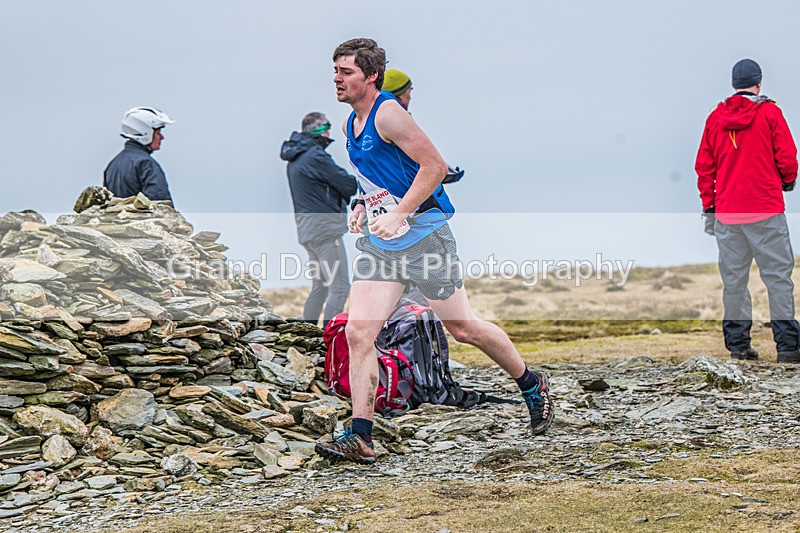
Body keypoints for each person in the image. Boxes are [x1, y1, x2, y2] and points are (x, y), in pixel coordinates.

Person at [315, 38, 554, 465]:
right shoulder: (353, 121)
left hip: (425, 237)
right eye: (335, 70)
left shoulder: (389, 114)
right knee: (359, 333)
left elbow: (435, 167)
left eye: (346, 72)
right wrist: (361, 204)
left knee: (463, 329)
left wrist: (400, 214)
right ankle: (361, 435)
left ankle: (530, 383)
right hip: (382, 243)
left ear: (371, 76)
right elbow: (377, 176)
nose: (336, 78)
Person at [695, 58, 800, 364]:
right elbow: (787, 157)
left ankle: (739, 347)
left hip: (728, 214)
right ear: (758, 83)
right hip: (766, 210)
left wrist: (709, 207)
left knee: (734, 281)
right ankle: (788, 348)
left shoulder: (715, 117)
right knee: (778, 278)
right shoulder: (770, 113)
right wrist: (787, 181)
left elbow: (704, 167)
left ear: (733, 84)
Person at [280, 112, 358, 326]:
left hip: (307, 231)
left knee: (321, 285)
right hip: (326, 231)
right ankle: (328, 339)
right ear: (320, 130)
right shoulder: (315, 156)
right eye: (327, 128)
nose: (329, 133)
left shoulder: (295, 158)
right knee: (339, 287)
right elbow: (348, 184)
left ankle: (308, 332)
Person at [103, 107, 175, 202]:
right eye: (158, 133)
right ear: (146, 133)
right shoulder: (146, 163)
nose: (162, 137)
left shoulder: (113, 164)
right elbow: (160, 202)